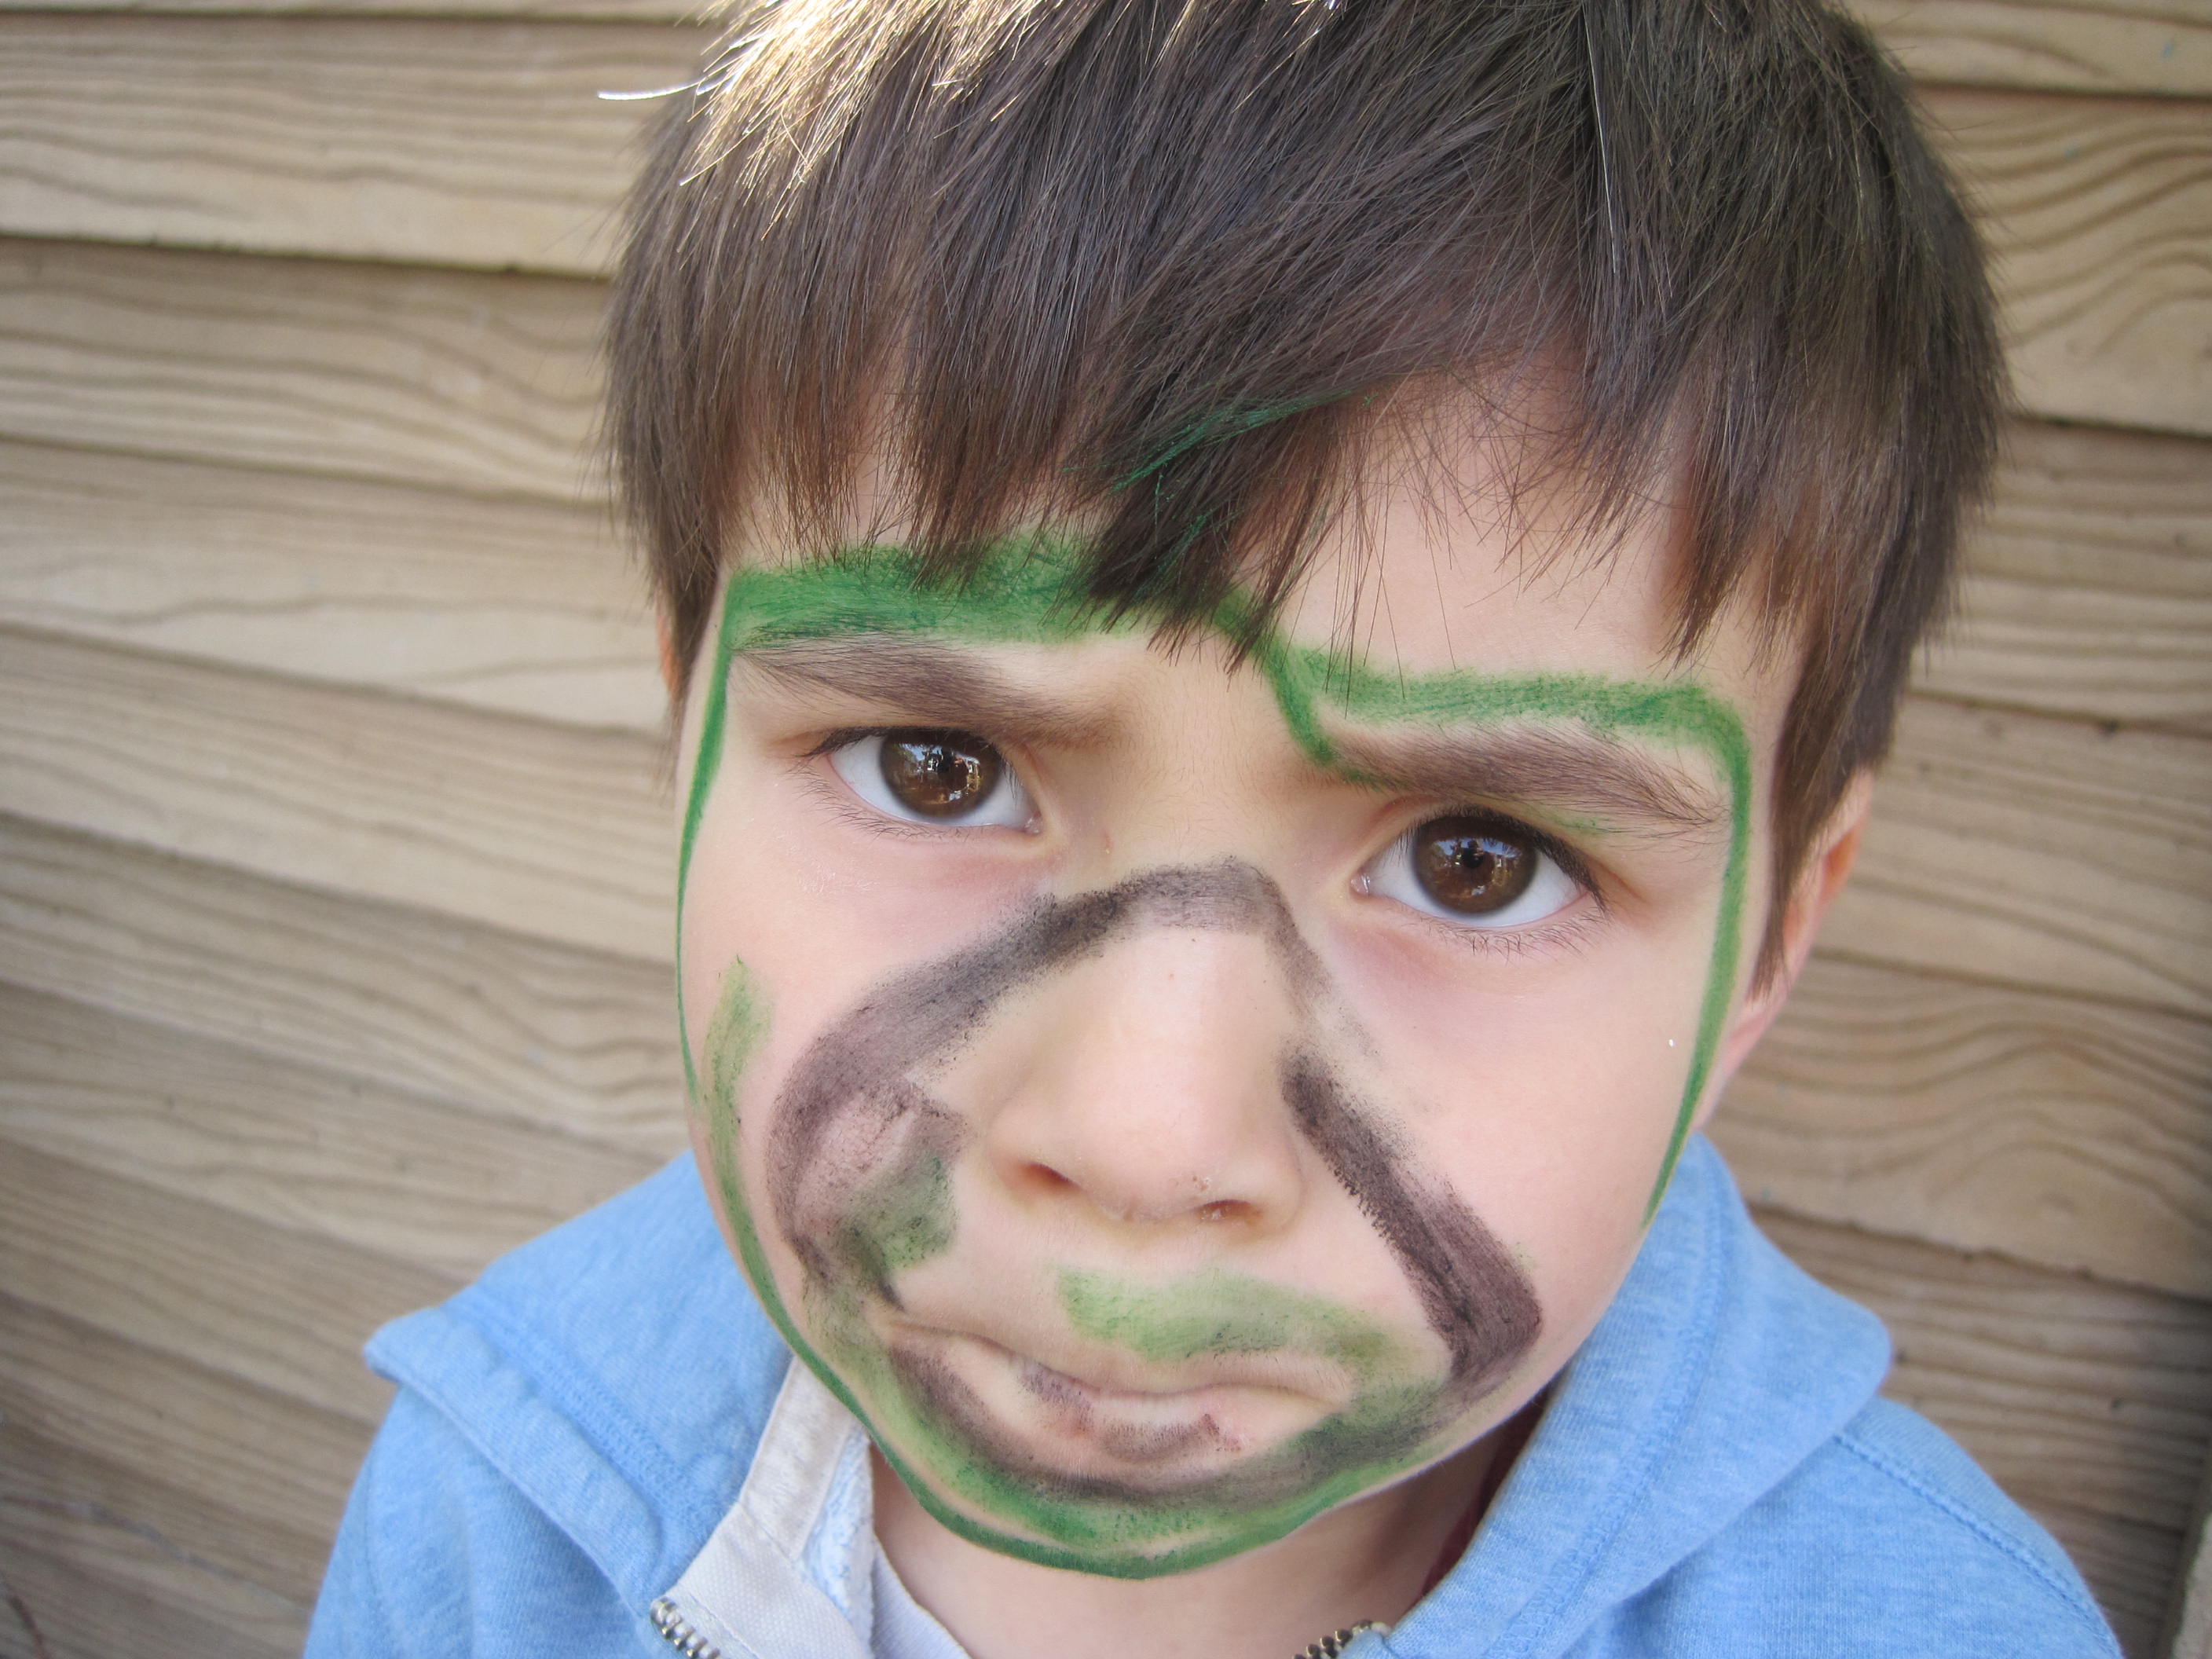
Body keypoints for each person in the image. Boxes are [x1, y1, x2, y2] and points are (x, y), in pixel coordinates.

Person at [306, 2, 2120, 1654]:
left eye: (1476, 860)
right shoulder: (495, 1518)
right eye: (935, 766)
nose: (1144, 1144)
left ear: (1770, 952)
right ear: (688, 730)